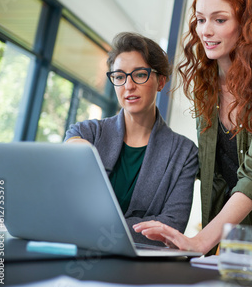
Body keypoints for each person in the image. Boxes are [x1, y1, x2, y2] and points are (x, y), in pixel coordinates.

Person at [133, 0, 252, 265]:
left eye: (219, 19)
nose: (206, 31)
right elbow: (210, 166)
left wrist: (200, 240)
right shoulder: (207, 84)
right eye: (201, 20)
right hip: (235, 225)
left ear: (245, 23)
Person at [65, 32, 198, 245]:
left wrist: (91, 226)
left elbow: (171, 226)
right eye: (119, 76)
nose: (128, 86)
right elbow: (66, 207)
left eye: (139, 75)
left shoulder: (184, 153)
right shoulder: (86, 133)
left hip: (141, 269)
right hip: (78, 254)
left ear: (161, 81)